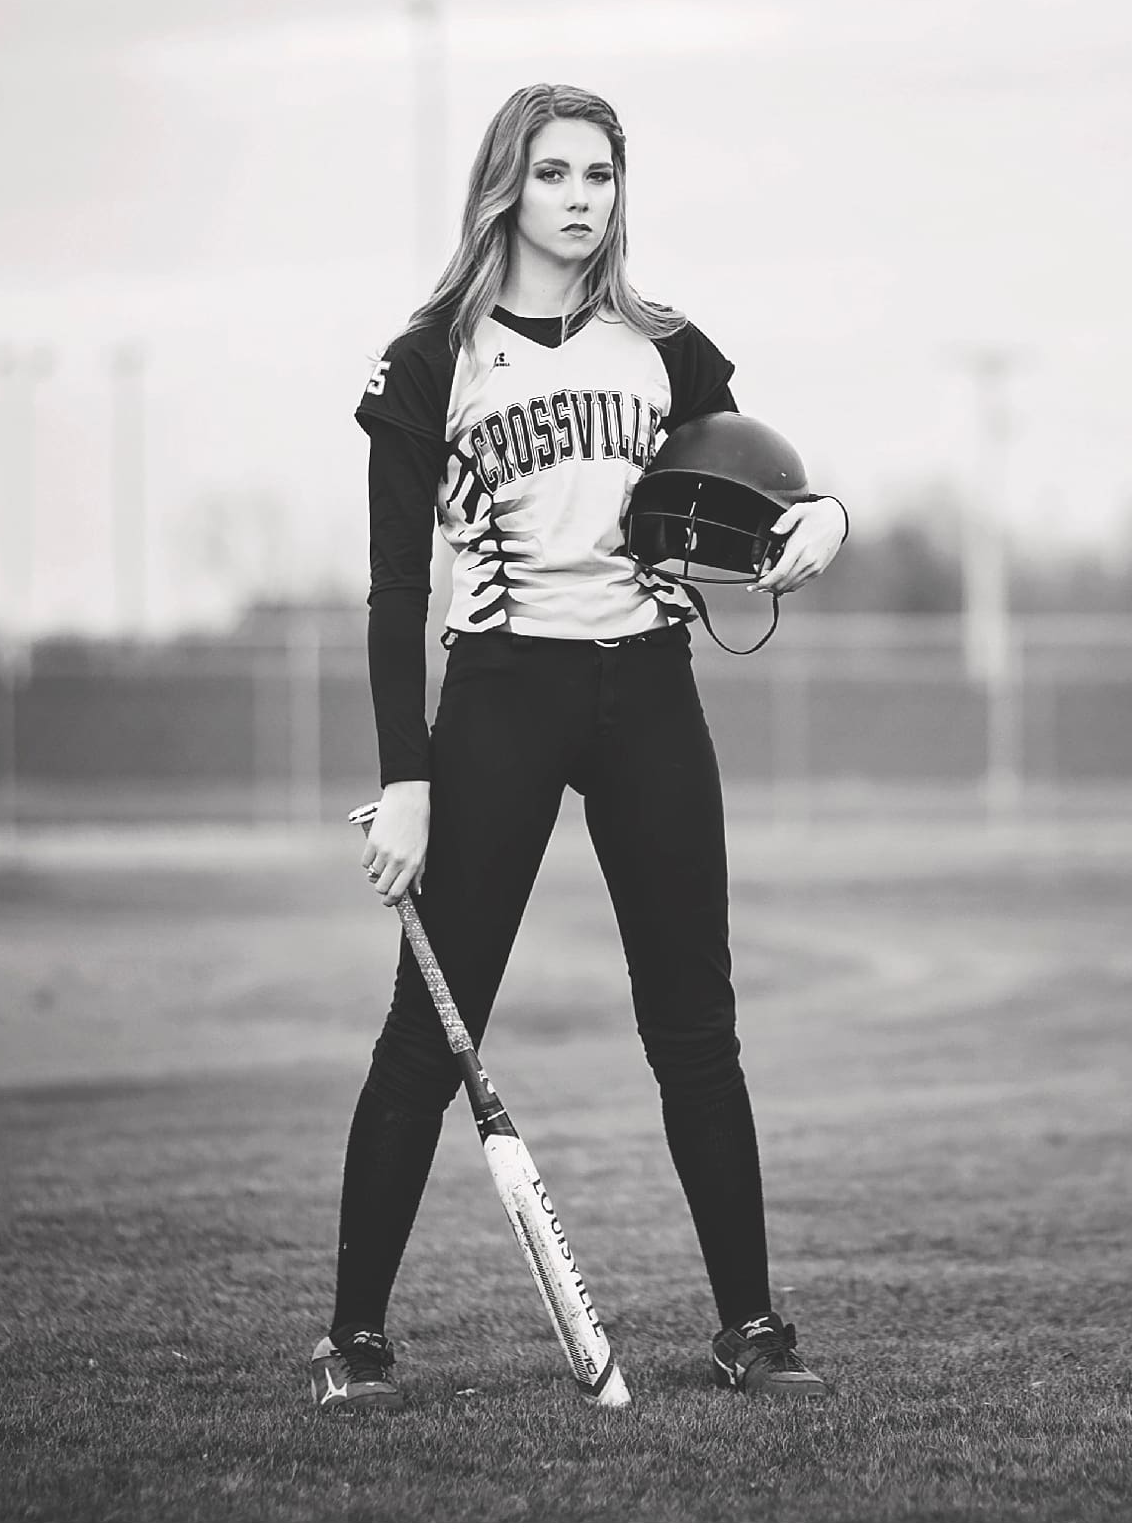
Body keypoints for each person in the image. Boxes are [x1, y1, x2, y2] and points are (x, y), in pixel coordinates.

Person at [308, 82, 847, 1414]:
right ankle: (357, 1340)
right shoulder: (431, 358)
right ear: (508, 183)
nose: (579, 197)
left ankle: (753, 1328)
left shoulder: (662, 346)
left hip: (650, 692)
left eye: (599, 174)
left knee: (695, 1027)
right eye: (554, 172)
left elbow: (763, 484)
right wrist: (405, 779)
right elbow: (395, 595)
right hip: (502, 696)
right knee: (425, 1037)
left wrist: (820, 519)